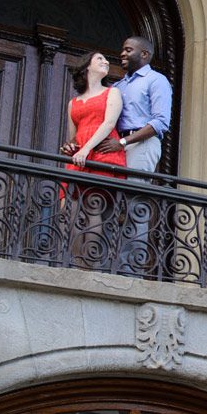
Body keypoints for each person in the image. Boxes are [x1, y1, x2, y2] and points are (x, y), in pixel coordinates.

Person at [59, 51, 127, 267]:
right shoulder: (74, 102)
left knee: (93, 205)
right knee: (69, 207)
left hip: (102, 153)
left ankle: (88, 264)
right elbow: (73, 135)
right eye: (100, 59)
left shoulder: (112, 93)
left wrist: (86, 150)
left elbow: (108, 125)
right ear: (86, 66)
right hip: (80, 157)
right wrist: (71, 147)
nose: (106, 61)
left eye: (107, 59)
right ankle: (76, 260)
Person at [114, 34, 173, 175]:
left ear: (144, 54)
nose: (122, 54)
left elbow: (161, 122)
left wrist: (123, 141)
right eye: (123, 50)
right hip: (116, 145)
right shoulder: (118, 85)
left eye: (128, 50)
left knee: (132, 194)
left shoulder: (156, 80)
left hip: (141, 144)